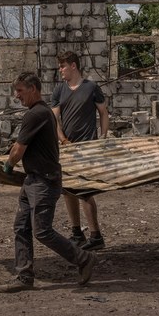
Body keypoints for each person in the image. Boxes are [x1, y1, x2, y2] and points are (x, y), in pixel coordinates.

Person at [0, 72, 97, 293]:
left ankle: (84, 258)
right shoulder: (42, 112)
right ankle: (24, 277)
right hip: (34, 179)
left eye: (20, 91)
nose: (17, 96)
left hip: (43, 181)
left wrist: (8, 165)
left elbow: (18, 149)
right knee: (21, 227)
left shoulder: (36, 114)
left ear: (33, 89)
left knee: (42, 231)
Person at [51, 51, 109, 251]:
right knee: (68, 190)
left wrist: (103, 138)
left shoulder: (91, 87)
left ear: (73, 66)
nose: (60, 70)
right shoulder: (59, 90)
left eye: (63, 66)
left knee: (85, 191)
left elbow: (103, 112)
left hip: (87, 148)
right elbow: (54, 119)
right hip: (68, 148)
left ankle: (96, 235)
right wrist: (63, 140)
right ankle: (77, 233)